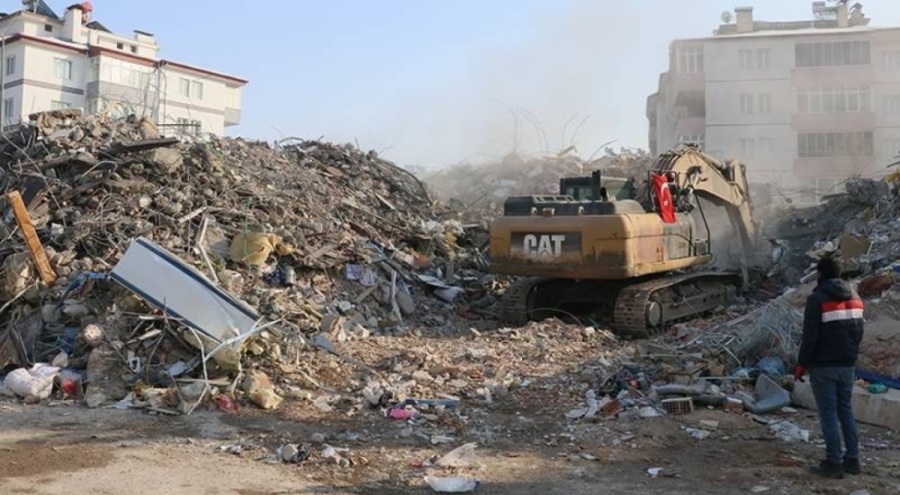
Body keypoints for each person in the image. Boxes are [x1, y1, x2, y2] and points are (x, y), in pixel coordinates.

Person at [794, 257, 865, 479]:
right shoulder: (856, 298)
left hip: (823, 366)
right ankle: (852, 460)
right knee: (846, 411)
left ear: (820, 274)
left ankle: (833, 463)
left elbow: (810, 337)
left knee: (828, 415)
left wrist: (801, 364)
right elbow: (859, 332)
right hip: (847, 364)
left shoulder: (817, 299)